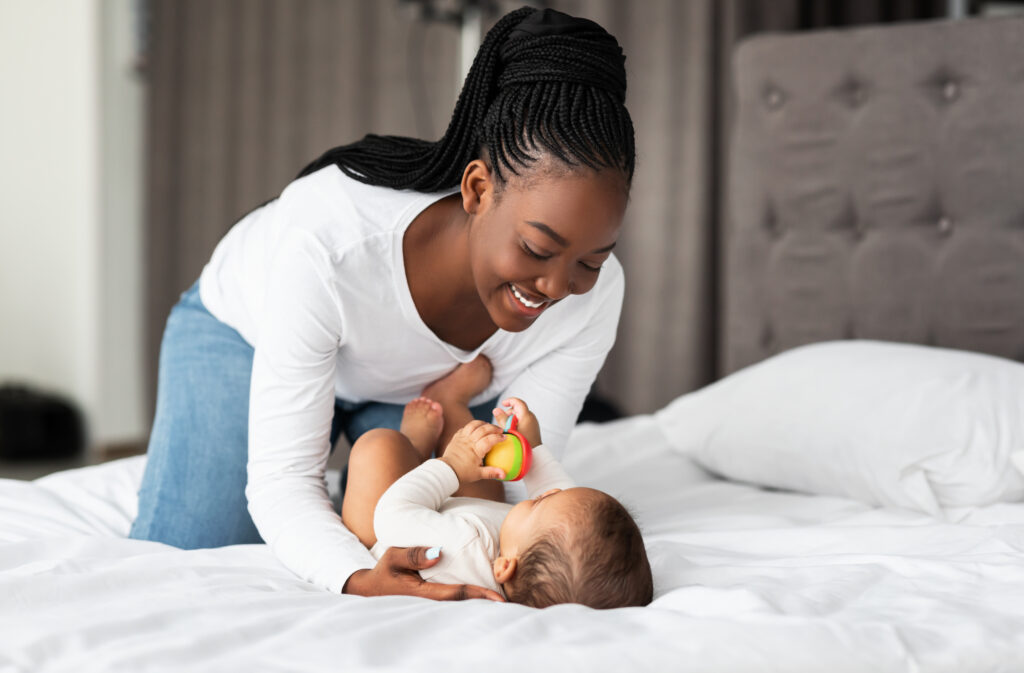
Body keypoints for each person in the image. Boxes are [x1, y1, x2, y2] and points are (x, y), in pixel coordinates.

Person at [129, 6, 636, 603]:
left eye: (590, 261)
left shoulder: (593, 299)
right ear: (477, 188)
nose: (555, 288)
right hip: (244, 334)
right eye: (535, 248)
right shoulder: (330, 242)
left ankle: (364, 481)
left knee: (467, 498)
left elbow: (529, 492)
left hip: (415, 390)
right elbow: (281, 483)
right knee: (192, 555)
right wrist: (356, 578)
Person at [341, 368, 653, 609]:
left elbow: (394, 513)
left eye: (538, 504)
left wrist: (451, 465)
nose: (545, 493)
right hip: (452, 515)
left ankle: (416, 447)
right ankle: (450, 400)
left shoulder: (461, 548)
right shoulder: (528, 545)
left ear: (504, 566)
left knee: (378, 447)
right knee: (487, 463)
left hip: (391, 528)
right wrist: (534, 445)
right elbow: (559, 497)